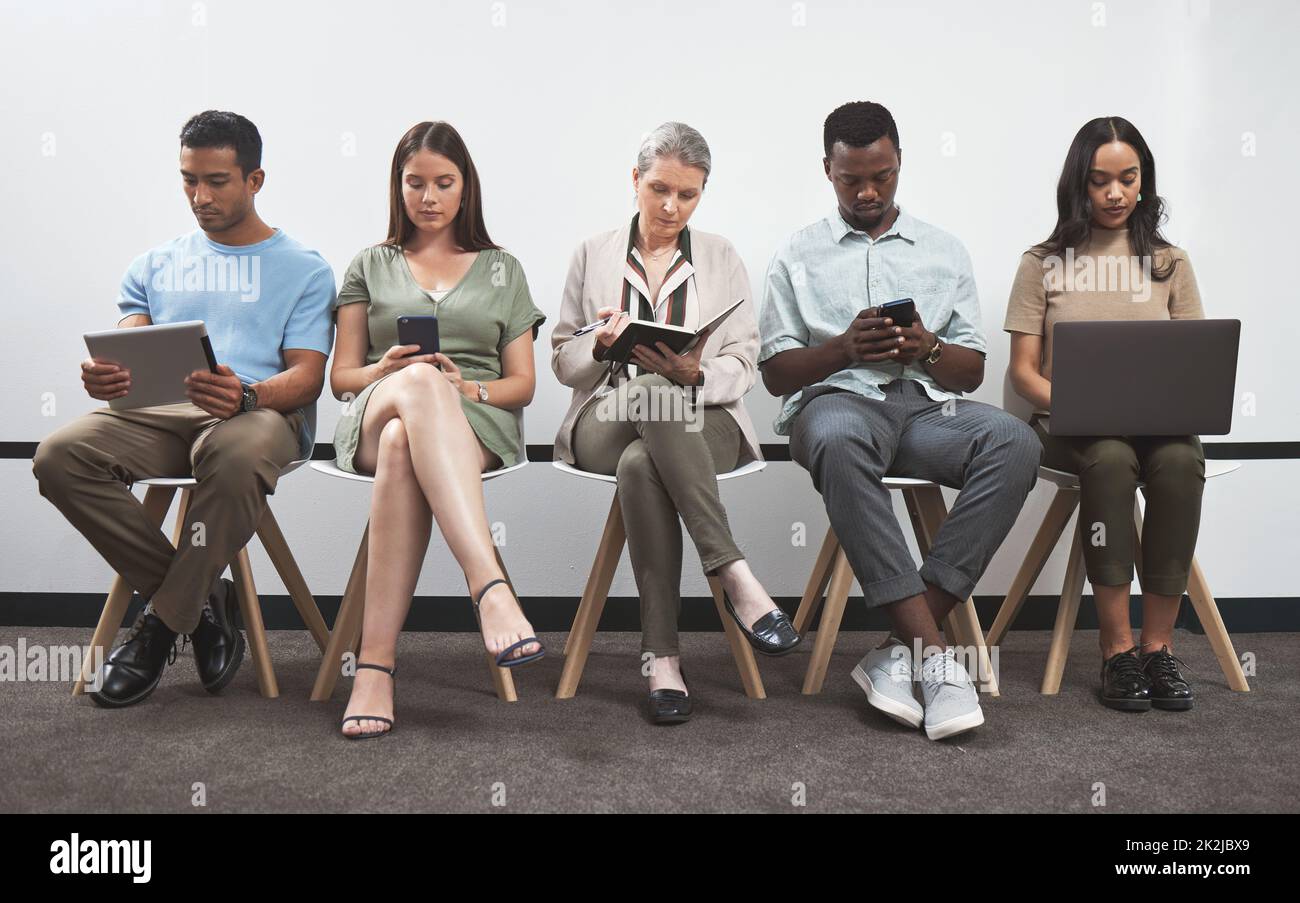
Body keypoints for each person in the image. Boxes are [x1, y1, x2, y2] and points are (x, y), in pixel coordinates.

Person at [32, 110, 336, 707]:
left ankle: (158, 628)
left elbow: (308, 377)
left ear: (255, 180)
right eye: (189, 180)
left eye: (217, 181)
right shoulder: (154, 264)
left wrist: (248, 394)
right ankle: (200, 605)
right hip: (162, 414)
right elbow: (133, 340)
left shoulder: (304, 268)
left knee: (234, 451)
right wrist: (109, 375)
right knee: (58, 457)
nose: (199, 196)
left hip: (259, 418)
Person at [759, 101, 1041, 741]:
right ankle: (938, 659)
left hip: (924, 410)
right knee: (835, 434)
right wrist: (842, 350)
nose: (866, 191)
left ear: (900, 164)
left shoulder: (943, 250)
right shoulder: (795, 254)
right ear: (826, 170)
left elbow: (968, 373)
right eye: (850, 178)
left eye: (881, 176)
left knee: (1015, 442)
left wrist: (928, 349)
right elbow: (776, 374)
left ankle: (901, 646)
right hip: (837, 406)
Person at [552, 122, 798, 725]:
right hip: (606, 419)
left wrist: (695, 377)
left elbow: (743, 364)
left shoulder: (721, 255)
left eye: (687, 195)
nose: (670, 206)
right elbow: (562, 360)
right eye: (659, 188)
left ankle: (662, 658)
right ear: (634, 180)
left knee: (647, 455)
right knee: (645, 404)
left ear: (701, 193)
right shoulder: (592, 252)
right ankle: (734, 573)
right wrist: (603, 345)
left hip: (700, 420)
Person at [329, 121, 547, 739]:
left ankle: (374, 669)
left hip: (471, 421)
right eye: (415, 183)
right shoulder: (369, 265)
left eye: (443, 183)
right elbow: (343, 378)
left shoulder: (503, 268)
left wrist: (466, 388)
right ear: (397, 188)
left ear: (465, 187)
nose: (428, 197)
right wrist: (386, 368)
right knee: (413, 392)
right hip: (376, 405)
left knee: (408, 437)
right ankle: (490, 585)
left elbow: (522, 385)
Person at [1005, 116, 1205, 713]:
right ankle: (1117, 650)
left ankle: (1158, 647)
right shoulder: (1042, 263)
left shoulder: (1171, 263)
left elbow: (1195, 365)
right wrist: (1078, 406)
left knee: (1178, 462)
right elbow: (1023, 373)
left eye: (1128, 178)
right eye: (1100, 181)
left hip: (1157, 428)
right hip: (1073, 431)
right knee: (1112, 459)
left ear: (1143, 182)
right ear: (1079, 185)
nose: (1115, 193)